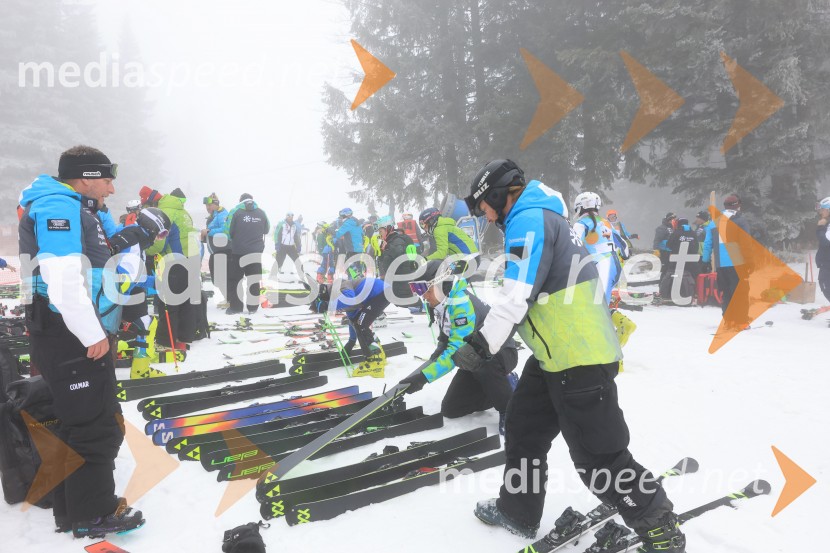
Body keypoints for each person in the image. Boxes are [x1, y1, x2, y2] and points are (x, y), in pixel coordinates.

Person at [456, 159, 683, 552]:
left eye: (483, 207)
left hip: (579, 357)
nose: (485, 216)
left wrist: (482, 344)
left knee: (598, 457)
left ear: (496, 194)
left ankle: (658, 524)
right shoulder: (540, 217)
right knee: (524, 431)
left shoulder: (530, 219)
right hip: (552, 357)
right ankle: (518, 512)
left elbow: (516, 296)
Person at [18, 145, 144, 537]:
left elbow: (89, 259)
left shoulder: (68, 205)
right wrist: (92, 334)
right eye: (106, 180)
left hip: (62, 331)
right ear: (86, 176)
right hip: (70, 333)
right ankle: (94, 513)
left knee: (79, 420)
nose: (109, 188)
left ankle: (73, 509)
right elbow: (62, 277)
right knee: (95, 424)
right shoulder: (58, 205)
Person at [399, 260, 518, 434]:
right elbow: (444, 345)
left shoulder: (461, 304)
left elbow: (455, 351)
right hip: (473, 358)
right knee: (452, 409)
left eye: (425, 290)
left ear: (439, 285)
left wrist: (424, 378)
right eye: (418, 290)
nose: (423, 296)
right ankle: (503, 388)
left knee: (484, 365)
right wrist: (418, 374)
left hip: (499, 353)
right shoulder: (444, 304)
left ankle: (509, 409)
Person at [144, 187, 201, 351]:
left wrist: (144, 248)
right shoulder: (183, 211)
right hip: (191, 259)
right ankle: (183, 339)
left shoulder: (165, 212)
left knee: (168, 303)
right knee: (187, 302)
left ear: (151, 202)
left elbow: (159, 243)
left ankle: (165, 342)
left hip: (174, 261)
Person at [316, 278, 389, 377]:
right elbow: (353, 320)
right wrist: (351, 341)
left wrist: (328, 306)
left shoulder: (341, 286)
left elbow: (350, 299)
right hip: (380, 295)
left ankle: (375, 361)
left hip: (381, 292)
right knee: (359, 323)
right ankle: (379, 355)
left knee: (361, 325)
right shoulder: (341, 299)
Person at [224, 193, 270, 315]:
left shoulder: (235, 212)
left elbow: (228, 231)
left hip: (238, 252)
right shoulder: (261, 212)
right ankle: (253, 307)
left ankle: (236, 307)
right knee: (254, 280)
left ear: (241, 201)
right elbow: (266, 229)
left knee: (235, 280)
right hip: (255, 252)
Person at [713, 194, 750, 328]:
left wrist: (706, 261)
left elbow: (707, 243)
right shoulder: (740, 220)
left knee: (726, 292)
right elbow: (745, 243)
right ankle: (741, 321)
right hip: (736, 261)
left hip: (720, 263)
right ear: (737, 206)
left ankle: (728, 320)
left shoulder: (715, 220)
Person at [375, 218, 419, 308]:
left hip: (401, 281)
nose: (380, 234)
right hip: (395, 281)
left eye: (381, 231)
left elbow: (400, 256)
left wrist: (387, 247)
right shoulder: (390, 241)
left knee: (405, 305)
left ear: (388, 228)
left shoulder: (397, 240)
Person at [201, 193, 230, 306]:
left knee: (222, 277)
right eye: (206, 206)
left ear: (216, 204)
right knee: (217, 278)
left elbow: (224, 229)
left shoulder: (223, 214)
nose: (208, 208)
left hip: (223, 250)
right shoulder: (213, 216)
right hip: (215, 251)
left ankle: (230, 299)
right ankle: (228, 298)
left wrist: (208, 232)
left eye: (210, 205)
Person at [663, 217, 699, 302]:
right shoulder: (693, 233)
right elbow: (696, 246)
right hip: (691, 261)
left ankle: (672, 293)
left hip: (677, 260)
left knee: (674, 276)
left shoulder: (676, 232)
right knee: (691, 277)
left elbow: (669, 244)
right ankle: (693, 293)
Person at [333, 208, 364, 278]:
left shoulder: (348, 223)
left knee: (351, 267)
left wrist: (331, 231)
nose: (342, 218)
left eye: (342, 216)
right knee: (357, 266)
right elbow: (362, 234)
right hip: (359, 248)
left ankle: (355, 283)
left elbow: (338, 234)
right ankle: (360, 282)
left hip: (351, 248)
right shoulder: (356, 223)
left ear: (345, 216)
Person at [274, 212, 302, 277]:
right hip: (282, 245)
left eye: (292, 217)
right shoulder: (282, 224)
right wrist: (277, 244)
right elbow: (276, 234)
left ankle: (301, 273)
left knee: (297, 259)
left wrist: (298, 245)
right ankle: (274, 273)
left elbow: (296, 236)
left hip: (291, 246)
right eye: (289, 216)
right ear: (286, 217)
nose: (290, 218)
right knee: (279, 259)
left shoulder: (294, 225)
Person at [653, 212, 677, 284]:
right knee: (665, 270)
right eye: (672, 219)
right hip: (664, 252)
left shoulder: (675, 228)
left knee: (672, 269)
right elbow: (657, 240)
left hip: (673, 251)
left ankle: (669, 286)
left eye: (674, 219)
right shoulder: (662, 228)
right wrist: (656, 250)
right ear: (668, 219)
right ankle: (662, 286)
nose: (674, 221)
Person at [816, 197, 830, 302]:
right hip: (826, 263)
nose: (820, 212)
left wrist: (821, 227)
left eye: (822, 210)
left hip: (828, 263)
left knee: (826, 286)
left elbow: (825, 242)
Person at [694, 210, 716, 274]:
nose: (697, 219)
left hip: (705, 256)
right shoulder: (699, 227)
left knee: (704, 274)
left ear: (702, 219)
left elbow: (710, 243)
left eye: (698, 218)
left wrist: (706, 258)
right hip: (698, 254)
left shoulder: (709, 227)